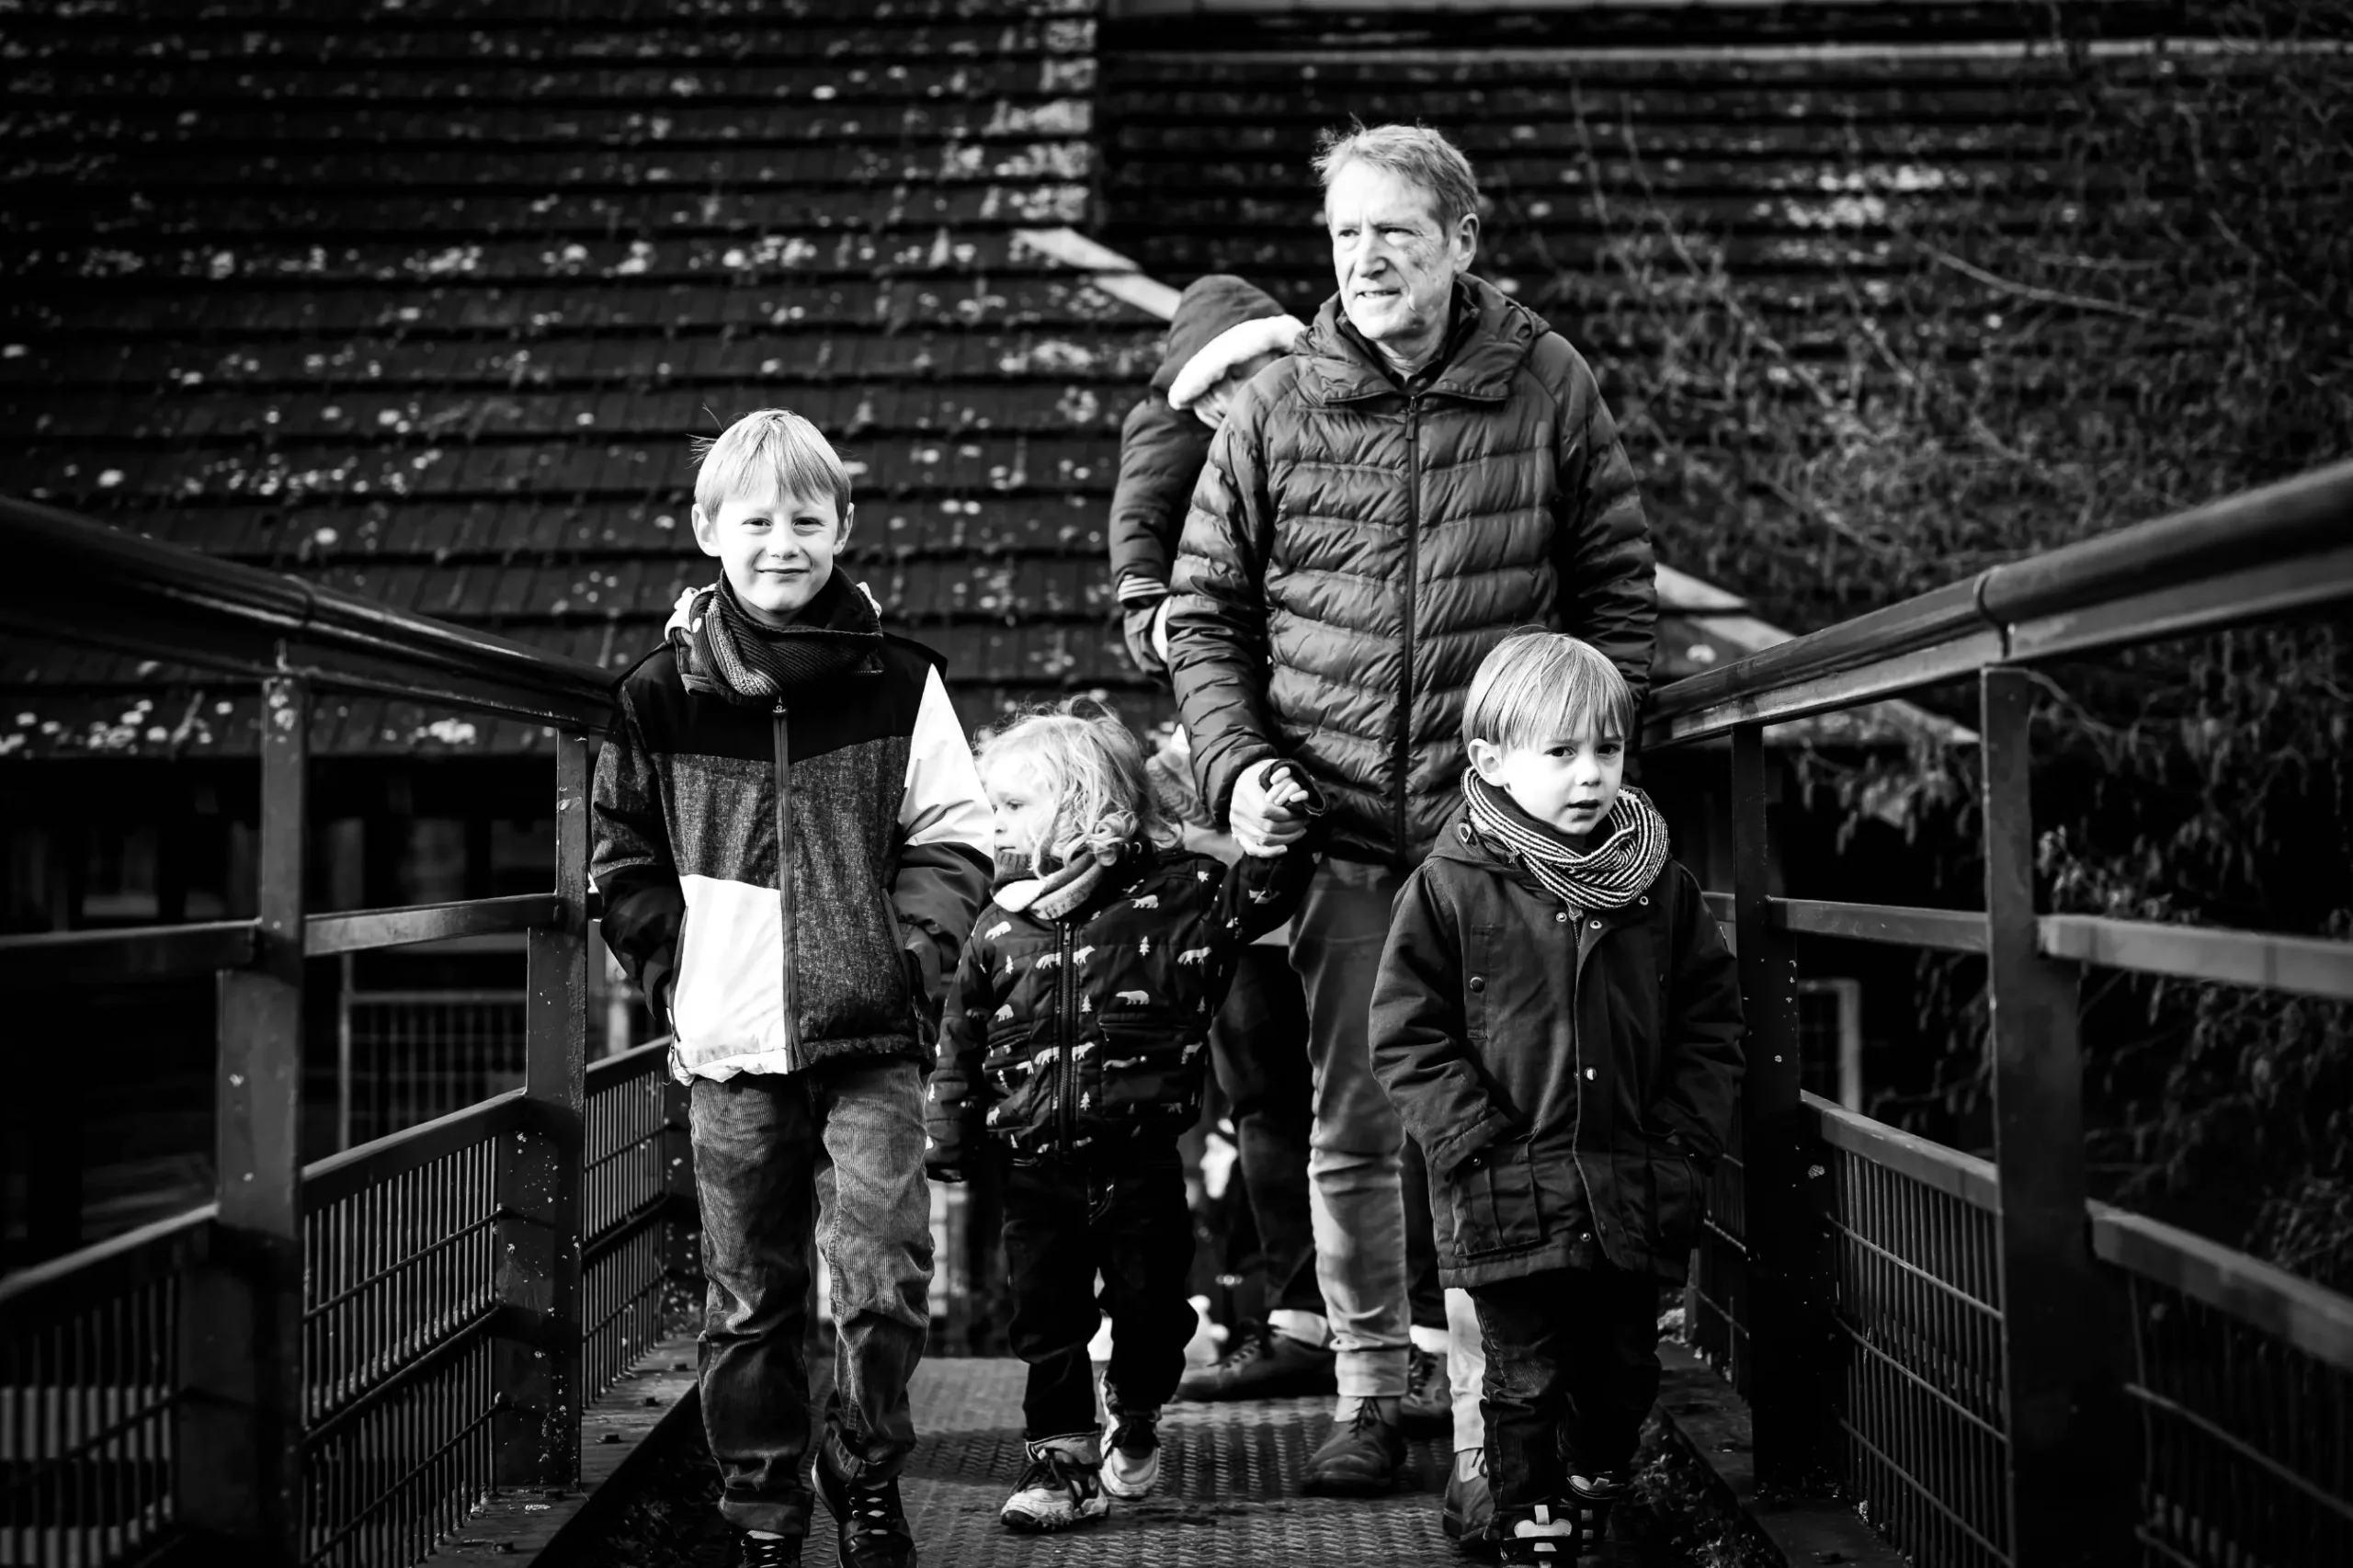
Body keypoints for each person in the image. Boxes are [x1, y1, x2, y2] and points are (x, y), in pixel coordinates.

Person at [1165, 120, 1658, 1500]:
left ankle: (1494, 1403)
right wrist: (1236, 765)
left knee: (1499, 1119)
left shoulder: (1550, 381)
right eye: (1345, 234)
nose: (1367, 257)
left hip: (1497, 835)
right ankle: (1369, 1391)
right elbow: (1200, 614)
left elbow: (1617, 594)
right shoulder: (1276, 405)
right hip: (1335, 833)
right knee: (1355, 1120)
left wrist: (1584, 779)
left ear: (1461, 240)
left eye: (1396, 230)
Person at [592, 409, 995, 1568]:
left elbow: (955, 835)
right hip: (730, 1047)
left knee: (883, 1274)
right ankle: (763, 1508)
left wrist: (910, 959)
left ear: (842, 528)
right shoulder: (658, 696)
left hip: (871, 1033)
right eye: (756, 518)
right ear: (708, 529)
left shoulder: (901, 680)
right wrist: (677, 972)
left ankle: (863, 1469)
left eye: (805, 517)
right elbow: (619, 854)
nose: (782, 539)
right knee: (748, 1292)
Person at [1371, 632, 1744, 1563]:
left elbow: (1711, 1023)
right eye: (1561, 752)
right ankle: (1527, 1512)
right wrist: (1474, 1140)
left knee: (1623, 1370)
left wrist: (1683, 1141)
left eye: (1607, 750)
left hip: (1629, 1177)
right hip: (1504, 1181)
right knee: (1521, 1375)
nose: (1590, 774)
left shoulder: (1662, 888)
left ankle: (1589, 1472)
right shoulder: (1451, 887)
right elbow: (1406, 1032)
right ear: (1490, 761)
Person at [925, 704, 1324, 1532]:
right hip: (1033, 1165)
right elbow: (960, 1037)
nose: (995, 823)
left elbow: (1259, 896)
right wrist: (950, 1134)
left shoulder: (1180, 896)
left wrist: (1282, 831)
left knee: (1152, 1311)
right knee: (1046, 1318)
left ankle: (1137, 1406)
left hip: (1138, 1159)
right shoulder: (1000, 923)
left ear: (1088, 804)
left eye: (1014, 806)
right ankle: (1061, 1463)